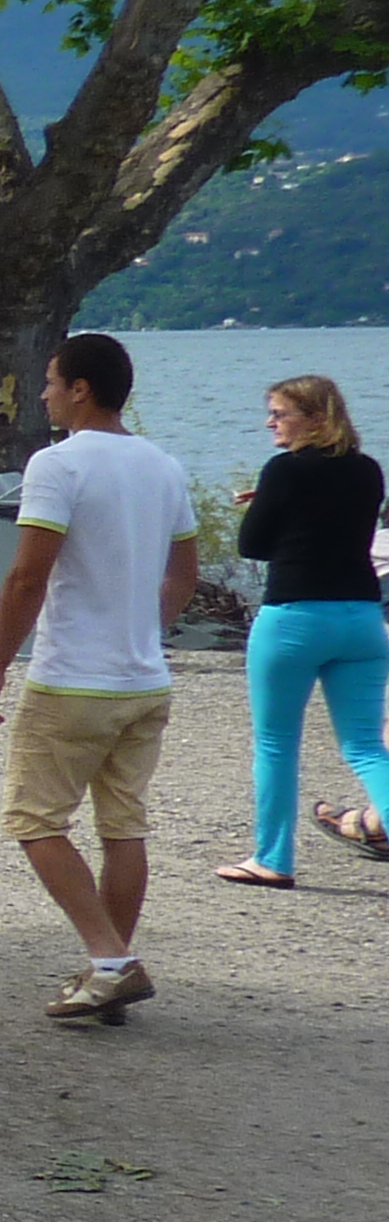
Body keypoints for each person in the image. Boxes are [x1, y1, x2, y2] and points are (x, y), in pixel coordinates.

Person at [0, 333, 198, 1024]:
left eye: (49, 382)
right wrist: (144, 627)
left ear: (80, 389)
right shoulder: (164, 466)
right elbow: (182, 575)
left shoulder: (58, 466)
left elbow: (28, 575)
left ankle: (109, 958)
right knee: (123, 828)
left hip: (73, 680)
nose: (42, 394)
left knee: (34, 820)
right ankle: (110, 970)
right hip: (143, 679)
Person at [217, 374, 389, 884]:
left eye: (279, 413)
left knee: (276, 742)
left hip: (295, 615)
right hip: (360, 617)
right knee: (364, 744)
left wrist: (268, 503)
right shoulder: (367, 470)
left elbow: (255, 545)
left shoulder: (283, 471)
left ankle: (271, 859)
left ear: (316, 417)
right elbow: (338, 529)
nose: (271, 422)